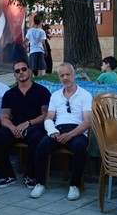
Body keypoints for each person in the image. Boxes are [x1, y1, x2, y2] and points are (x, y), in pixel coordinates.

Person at [32, 63, 94, 201]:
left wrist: (70, 134)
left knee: (79, 148)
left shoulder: (85, 95)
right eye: (62, 75)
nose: (65, 78)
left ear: (74, 75)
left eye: (68, 74)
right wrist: (52, 130)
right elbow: (49, 117)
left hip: (77, 131)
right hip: (58, 130)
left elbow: (88, 121)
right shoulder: (55, 96)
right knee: (41, 146)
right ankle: (40, 183)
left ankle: (74, 186)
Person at [0, 61, 50, 188]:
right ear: (14, 74)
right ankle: (7, 175)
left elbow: (45, 114)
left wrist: (28, 123)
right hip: (15, 127)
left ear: (29, 70)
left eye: (23, 69)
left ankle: (30, 176)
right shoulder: (10, 94)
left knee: (37, 139)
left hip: (35, 126)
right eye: (17, 71)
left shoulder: (42, 91)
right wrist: (12, 127)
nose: (21, 72)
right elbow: (4, 116)